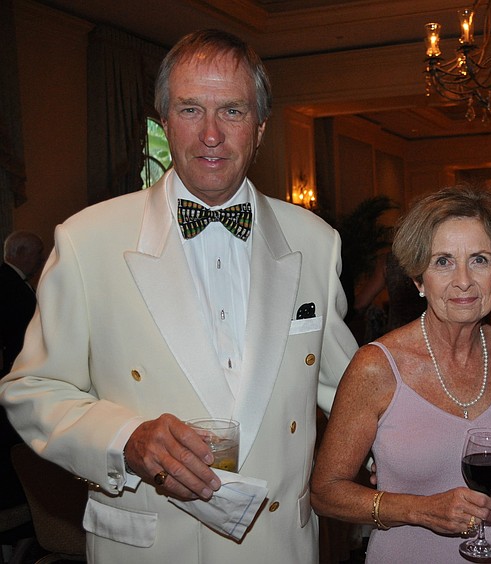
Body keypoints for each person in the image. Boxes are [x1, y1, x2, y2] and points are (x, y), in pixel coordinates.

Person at [0, 29, 357, 564]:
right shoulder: (87, 239)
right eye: (191, 109)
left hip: (280, 544)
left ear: (259, 128)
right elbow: (33, 387)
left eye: (232, 111)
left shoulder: (315, 241)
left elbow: (350, 388)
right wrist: (126, 439)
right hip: (151, 543)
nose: (210, 134)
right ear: (164, 121)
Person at [311, 184, 491, 563]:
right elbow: (324, 492)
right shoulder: (376, 368)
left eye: (479, 259)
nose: (463, 280)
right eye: (442, 262)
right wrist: (418, 509)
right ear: (417, 280)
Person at [0, 230, 43, 512]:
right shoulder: (8, 283)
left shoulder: (11, 280)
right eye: (38, 255)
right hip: (15, 371)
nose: (40, 261)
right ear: (23, 254)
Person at [0, 231, 43, 376]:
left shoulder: (15, 280)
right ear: (20, 252)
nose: (41, 259)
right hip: (16, 363)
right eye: (38, 252)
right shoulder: (7, 282)